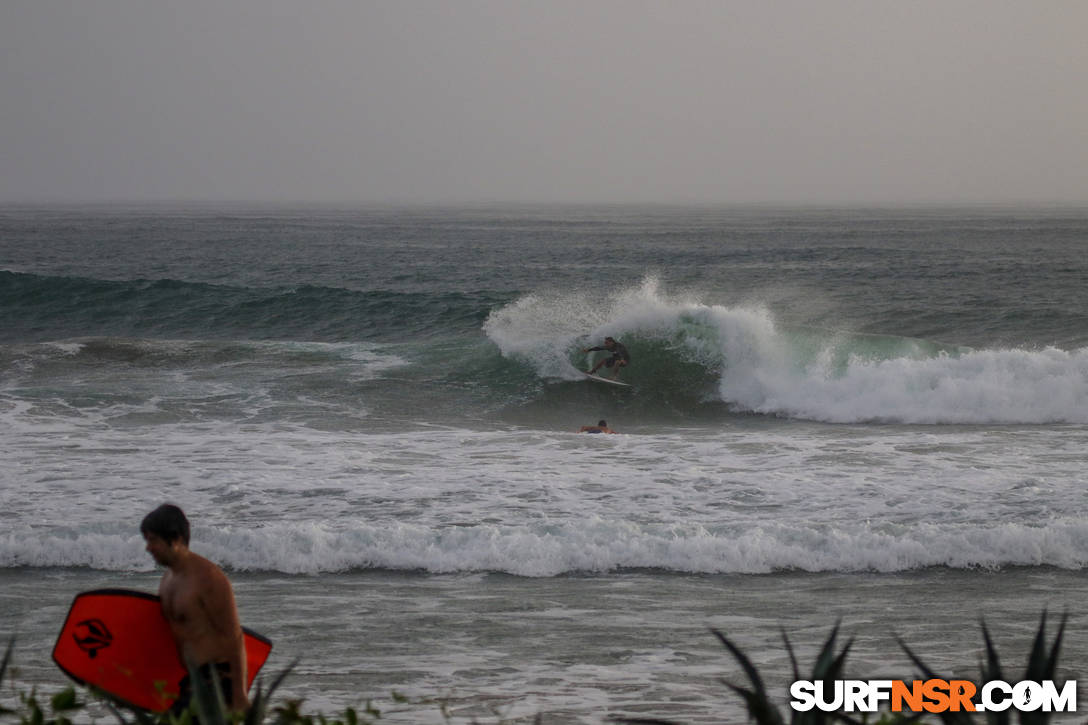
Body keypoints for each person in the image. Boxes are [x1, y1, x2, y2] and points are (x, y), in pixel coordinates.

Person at [140, 504, 249, 716]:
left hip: (217, 683)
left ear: (176, 539)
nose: (148, 547)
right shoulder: (167, 581)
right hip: (190, 682)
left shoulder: (208, 578)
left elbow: (234, 637)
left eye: (153, 540)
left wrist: (239, 695)